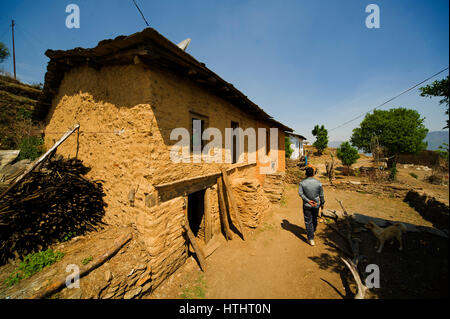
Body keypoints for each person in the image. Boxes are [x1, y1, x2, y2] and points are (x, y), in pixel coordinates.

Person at [298, 166, 325, 246]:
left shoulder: (302, 183)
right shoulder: (318, 183)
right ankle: (312, 231)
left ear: (306, 173)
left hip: (307, 205)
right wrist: (322, 203)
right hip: (316, 205)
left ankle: (311, 238)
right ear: (313, 173)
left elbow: (301, 193)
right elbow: (321, 195)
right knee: (314, 219)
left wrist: (308, 201)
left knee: (308, 221)